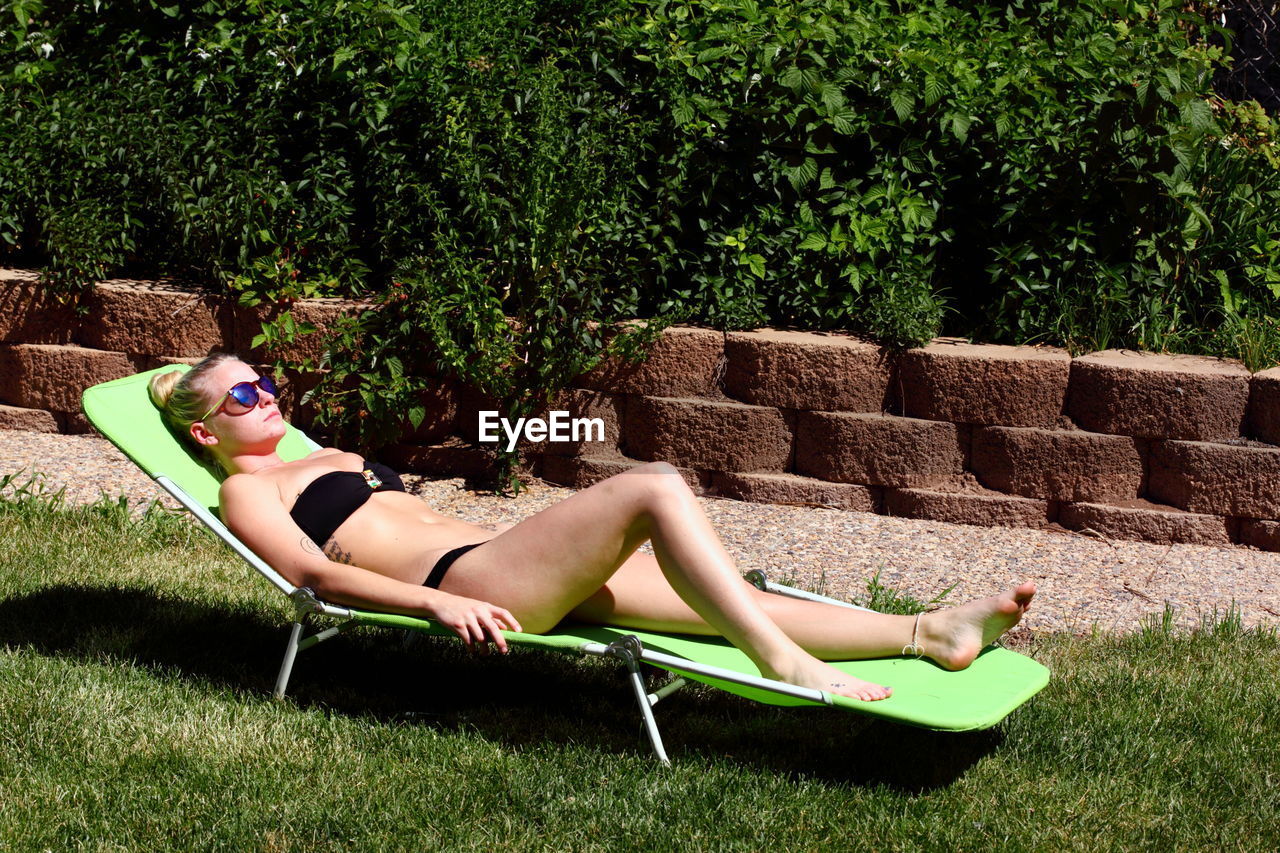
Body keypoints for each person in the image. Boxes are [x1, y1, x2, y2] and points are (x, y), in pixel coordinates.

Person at [149, 353, 1036, 702]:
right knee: (651, 485)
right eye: (241, 394)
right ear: (204, 429)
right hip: (466, 585)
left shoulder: (325, 452)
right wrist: (429, 606)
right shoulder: (246, 495)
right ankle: (782, 665)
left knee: (723, 602)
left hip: (492, 558)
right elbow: (314, 580)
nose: (265, 394)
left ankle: (929, 632)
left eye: (262, 381)